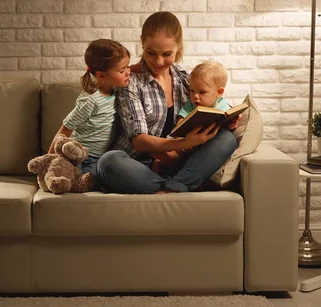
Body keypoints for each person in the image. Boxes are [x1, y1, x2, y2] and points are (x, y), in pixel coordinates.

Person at [96, 12, 238, 193]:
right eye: (151, 52)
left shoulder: (185, 79)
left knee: (226, 139)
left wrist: (228, 120)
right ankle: (178, 185)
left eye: (167, 54)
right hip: (138, 165)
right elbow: (139, 142)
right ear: (142, 43)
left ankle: (172, 185)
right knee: (109, 162)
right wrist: (182, 144)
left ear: (178, 47)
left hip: (180, 163)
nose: (158, 61)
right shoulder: (130, 82)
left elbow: (208, 105)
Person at [48, 39, 131, 177]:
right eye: (123, 70)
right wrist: (50, 159)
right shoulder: (91, 100)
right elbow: (66, 127)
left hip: (101, 157)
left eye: (128, 66)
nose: (128, 72)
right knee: (93, 179)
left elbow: (123, 69)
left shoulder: (117, 89)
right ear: (101, 76)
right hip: (83, 157)